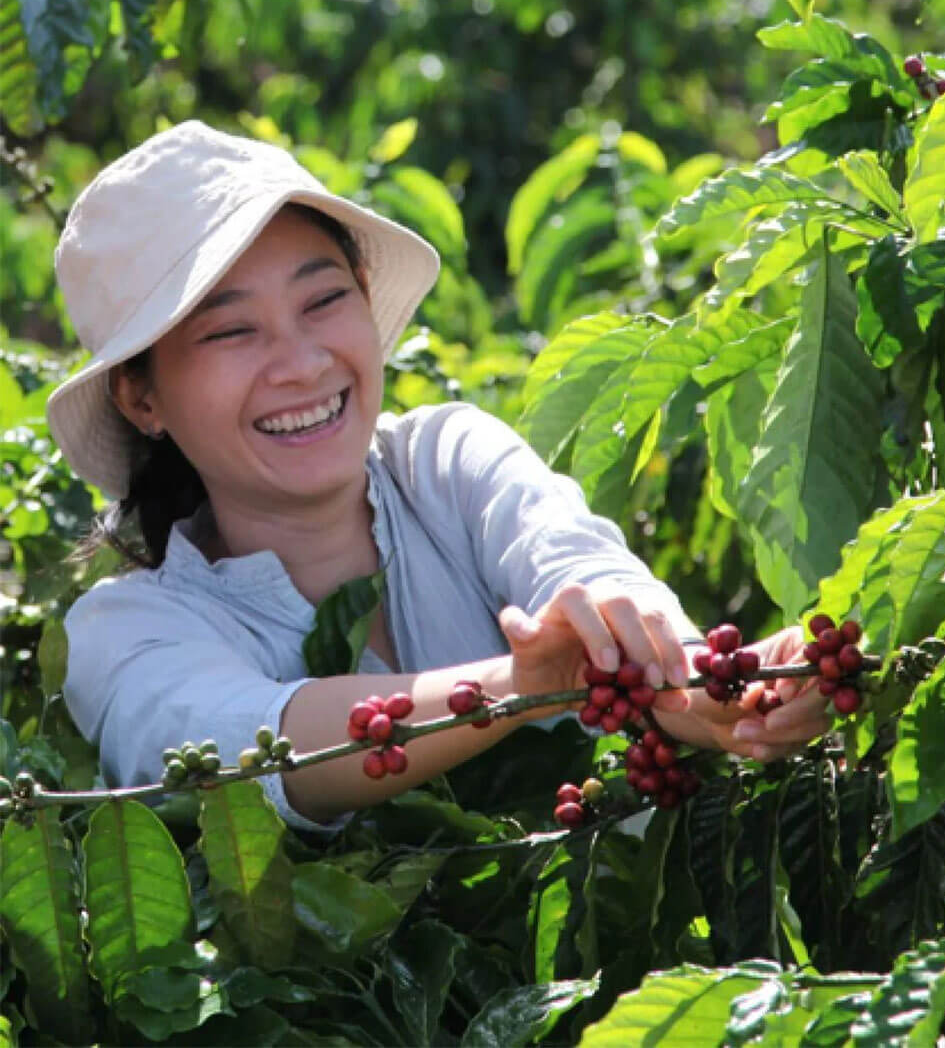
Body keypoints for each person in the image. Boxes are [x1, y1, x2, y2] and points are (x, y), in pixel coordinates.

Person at [47, 121, 829, 834]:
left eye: (323, 300)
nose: (303, 364)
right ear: (142, 397)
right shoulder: (123, 632)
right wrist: (517, 683)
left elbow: (580, 564)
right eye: (231, 331)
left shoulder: (445, 463)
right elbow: (253, 749)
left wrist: (709, 691)